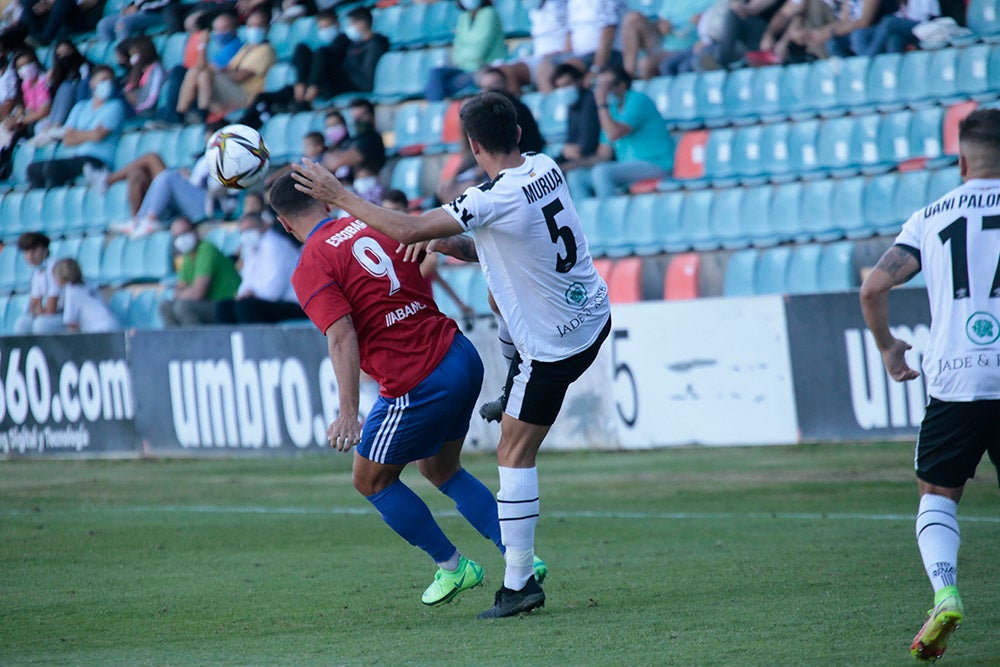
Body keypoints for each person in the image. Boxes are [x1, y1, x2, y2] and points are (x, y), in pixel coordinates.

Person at [290, 91, 610, 619]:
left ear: (472, 144)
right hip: (593, 314)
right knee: (493, 297)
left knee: (512, 453)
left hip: (554, 346)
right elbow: (478, 241)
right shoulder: (544, 168)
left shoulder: (487, 199)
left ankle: (518, 580)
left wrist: (342, 195)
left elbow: (414, 229)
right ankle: (512, 388)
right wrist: (443, 244)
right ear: (520, 134)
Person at [267, 171, 546, 610]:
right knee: (439, 468)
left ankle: (453, 567)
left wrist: (347, 410)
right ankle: (518, 556)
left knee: (370, 479)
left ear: (284, 224)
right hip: (459, 354)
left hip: (418, 379)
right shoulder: (377, 221)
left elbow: (340, 335)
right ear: (323, 203)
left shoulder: (312, 264)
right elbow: (449, 246)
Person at [858, 107, 1000, 662]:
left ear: (962, 160)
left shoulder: (932, 216)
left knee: (938, 497)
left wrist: (889, 347)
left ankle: (945, 594)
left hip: (956, 379)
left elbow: (872, 290)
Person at [566, 65, 675, 200]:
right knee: (576, 176)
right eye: (598, 86)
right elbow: (604, 155)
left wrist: (601, 103)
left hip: (656, 164)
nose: (601, 91)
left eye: (605, 86)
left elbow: (614, 133)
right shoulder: (611, 110)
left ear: (622, 85)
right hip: (629, 168)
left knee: (602, 172)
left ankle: (609, 218)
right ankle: (585, 219)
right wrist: (575, 164)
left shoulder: (638, 100)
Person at [382, 188, 475, 326]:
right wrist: (459, 302)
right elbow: (434, 274)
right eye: (386, 211)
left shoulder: (417, 233)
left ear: (407, 209)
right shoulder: (387, 238)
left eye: (395, 210)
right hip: (403, 312)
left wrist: (401, 290)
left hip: (416, 309)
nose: (391, 216)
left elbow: (432, 261)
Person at [25, 65, 125, 189]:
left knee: (52, 169)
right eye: (103, 80)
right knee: (33, 170)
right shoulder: (80, 107)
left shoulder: (115, 106)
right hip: (77, 158)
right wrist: (91, 134)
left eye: (110, 80)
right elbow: (67, 140)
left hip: (98, 160)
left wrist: (79, 134)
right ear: (92, 83)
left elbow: (99, 135)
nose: (107, 84)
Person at [175, 9, 276, 123]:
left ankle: (202, 114)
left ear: (267, 28)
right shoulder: (245, 48)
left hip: (246, 97)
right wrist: (203, 47)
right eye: (251, 25)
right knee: (195, 72)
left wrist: (214, 72)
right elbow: (227, 69)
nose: (254, 29)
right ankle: (180, 114)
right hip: (231, 91)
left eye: (259, 25)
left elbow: (240, 76)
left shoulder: (266, 50)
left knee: (205, 76)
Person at [214, 212, 305, 324]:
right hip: (266, 301)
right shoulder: (252, 248)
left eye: (250, 229)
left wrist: (251, 295)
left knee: (246, 306)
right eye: (243, 232)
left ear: (262, 226)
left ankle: (255, 341)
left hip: (293, 303)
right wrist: (243, 294)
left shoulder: (275, 244)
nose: (246, 234)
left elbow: (275, 288)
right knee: (224, 307)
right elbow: (247, 280)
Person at [158, 216, 241, 326]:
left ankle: (196, 342)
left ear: (195, 232)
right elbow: (178, 289)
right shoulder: (188, 256)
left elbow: (198, 293)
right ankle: (176, 342)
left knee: (183, 307)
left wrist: (184, 292)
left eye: (184, 233)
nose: (181, 239)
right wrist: (186, 292)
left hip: (227, 304)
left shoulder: (206, 249)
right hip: (209, 304)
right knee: (165, 306)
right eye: (177, 236)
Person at [424, 0, 505, 102]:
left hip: (484, 68)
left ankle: (437, 109)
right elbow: (458, 46)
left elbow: (480, 49)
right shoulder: (464, 16)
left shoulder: (489, 13)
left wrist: (463, 58)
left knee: (443, 88)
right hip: (463, 68)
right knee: (435, 74)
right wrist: (463, 59)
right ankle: (435, 110)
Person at [550, 63, 601, 172]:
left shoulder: (590, 100)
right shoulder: (571, 105)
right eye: (560, 87)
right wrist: (566, 149)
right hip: (576, 156)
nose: (563, 90)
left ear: (578, 81)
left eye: (567, 84)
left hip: (593, 157)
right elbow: (571, 137)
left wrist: (570, 150)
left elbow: (588, 142)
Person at [12, 232, 64, 335]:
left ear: (44, 249)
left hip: (66, 316)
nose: (30, 255)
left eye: (34, 250)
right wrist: (39, 311)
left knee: (41, 324)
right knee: (22, 323)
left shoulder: (54, 267)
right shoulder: (36, 271)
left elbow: (51, 308)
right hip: (51, 313)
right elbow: (33, 306)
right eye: (26, 252)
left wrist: (40, 311)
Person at [52, 258, 120, 333]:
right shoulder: (88, 283)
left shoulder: (71, 290)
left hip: (99, 330)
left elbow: (69, 322)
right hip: (113, 324)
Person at [122, 35, 165, 117]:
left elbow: (152, 99)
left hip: (144, 111)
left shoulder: (156, 69)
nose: (132, 58)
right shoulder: (136, 71)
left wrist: (137, 107)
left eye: (135, 54)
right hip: (131, 108)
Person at [96, 0, 175, 42]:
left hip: (160, 12)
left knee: (124, 23)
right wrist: (132, 6)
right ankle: (109, 63)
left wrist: (138, 7)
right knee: (104, 25)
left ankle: (123, 56)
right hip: (141, 11)